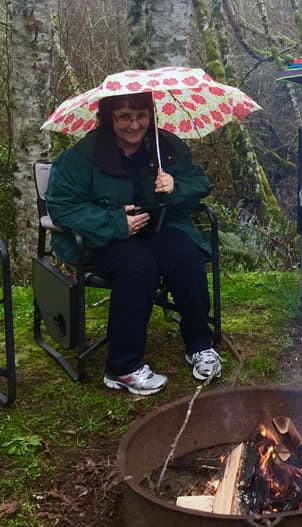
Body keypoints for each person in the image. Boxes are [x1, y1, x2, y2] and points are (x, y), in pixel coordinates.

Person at [46, 92, 221, 395]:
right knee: (139, 267)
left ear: (151, 115)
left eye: (141, 114)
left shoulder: (165, 146)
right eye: (124, 116)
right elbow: (61, 205)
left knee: (185, 255)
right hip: (100, 239)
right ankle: (122, 368)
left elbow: (200, 182)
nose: (134, 124)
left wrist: (175, 186)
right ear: (108, 118)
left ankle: (200, 345)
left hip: (158, 229)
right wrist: (115, 222)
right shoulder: (83, 155)